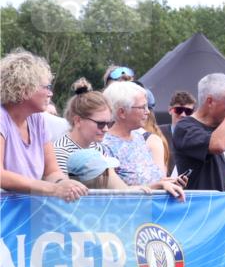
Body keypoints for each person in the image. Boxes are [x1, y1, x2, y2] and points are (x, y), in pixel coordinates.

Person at [0, 49, 87, 201]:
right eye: (46, 87)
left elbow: (51, 171)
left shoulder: (37, 119)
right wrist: (53, 189)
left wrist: (65, 185)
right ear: (24, 89)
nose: (50, 93)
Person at [101, 81, 167, 186]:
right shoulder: (104, 146)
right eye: (142, 107)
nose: (148, 112)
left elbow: (151, 179)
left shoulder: (138, 138)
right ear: (122, 112)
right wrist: (158, 186)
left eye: (147, 107)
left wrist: (170, 183)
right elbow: (118, 193)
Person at [66, 148, 185, 199]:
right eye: (108, 170)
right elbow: (123, 190)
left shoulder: (69, 199)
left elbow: (125, 190)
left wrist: (160, 184)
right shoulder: (110, 198)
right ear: (100, 176)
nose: (112, 173)